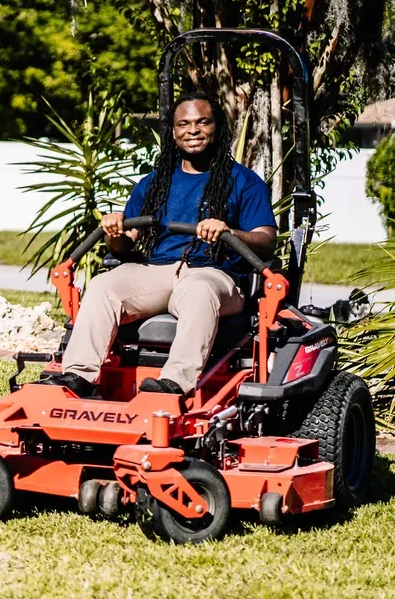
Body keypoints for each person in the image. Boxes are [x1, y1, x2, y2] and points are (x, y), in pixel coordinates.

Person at [41, 93, 278, 398]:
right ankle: (78, 377)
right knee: (103, 285)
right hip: (159, 271)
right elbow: (124, 249)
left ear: (217, 128)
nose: (193, 130)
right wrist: (115, 233)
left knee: (198, 290)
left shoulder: (245, 182)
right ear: (173, 131)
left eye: (202, 122)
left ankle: (175, 384)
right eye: (184, 124)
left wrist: (229, 230)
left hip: (216, 275)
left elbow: (266, 242)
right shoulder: (153, 183)